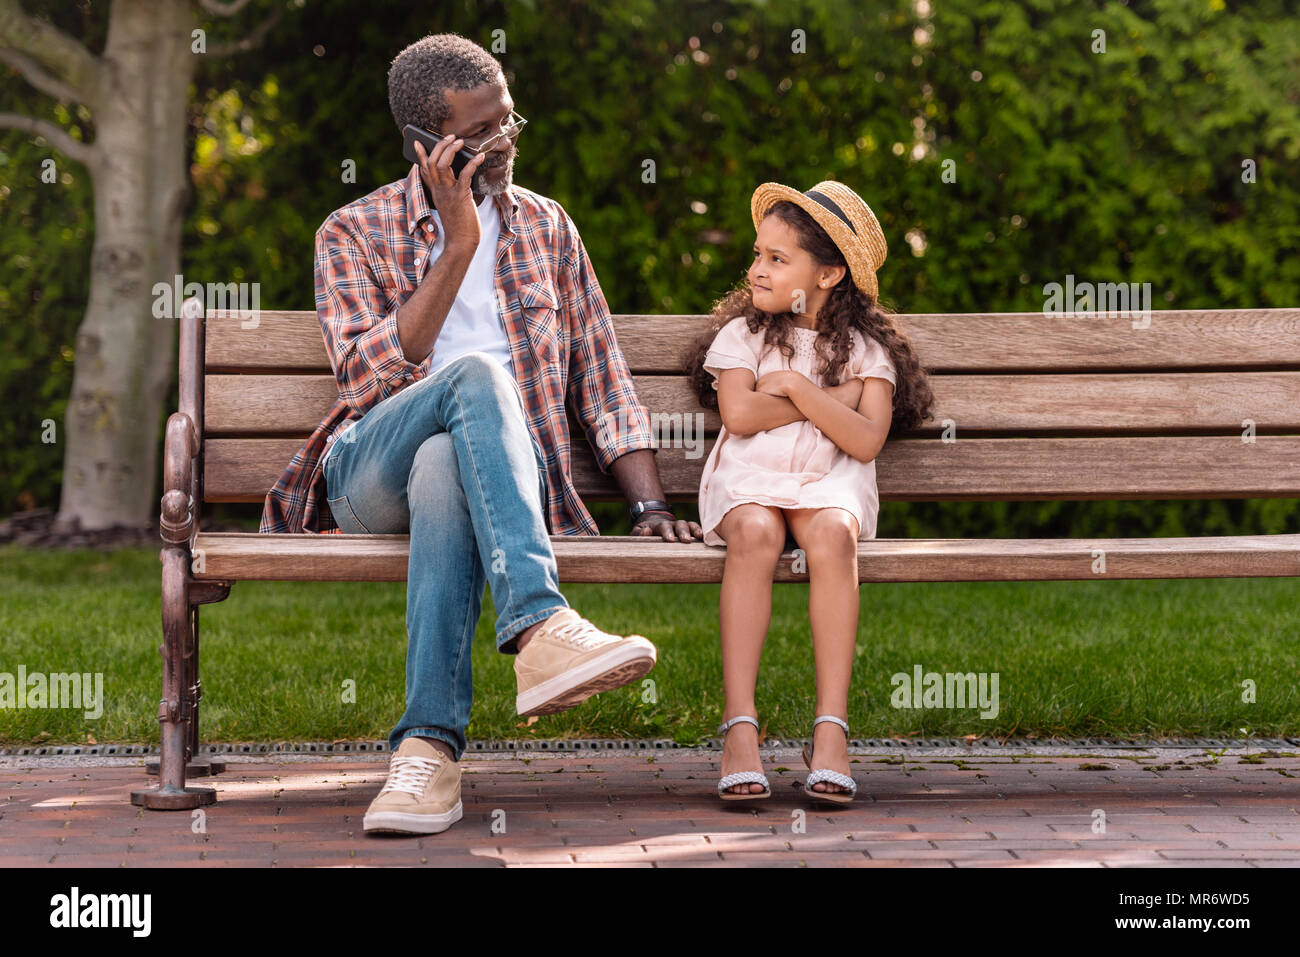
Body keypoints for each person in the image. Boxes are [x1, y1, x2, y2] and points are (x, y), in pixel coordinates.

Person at [260, 34, 703, 835]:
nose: (505, 143)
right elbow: (365, 383)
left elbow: (604, 379)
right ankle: (538, 623)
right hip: (367, 470)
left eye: (509, 122)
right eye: (483, 133)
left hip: (483, 475)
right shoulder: (352, 232)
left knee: (446, 468)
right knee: (468, 381)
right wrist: (459, 242)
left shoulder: (547, 228)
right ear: (427, 145)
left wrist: (646, 508)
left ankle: (427, 753)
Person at [683, 181, 935, 804]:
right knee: (757, 533)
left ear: (828, 273)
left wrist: (795, 388)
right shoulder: (744, 335)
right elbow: (738, 415)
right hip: (750, 475)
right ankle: (740, 727)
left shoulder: (867, 350)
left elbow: (867, 439)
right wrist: (817, 395)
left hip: (832, 479)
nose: (756, 269)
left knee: (832, 534)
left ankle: (831, 729)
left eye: (776, 258)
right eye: (757, 253)